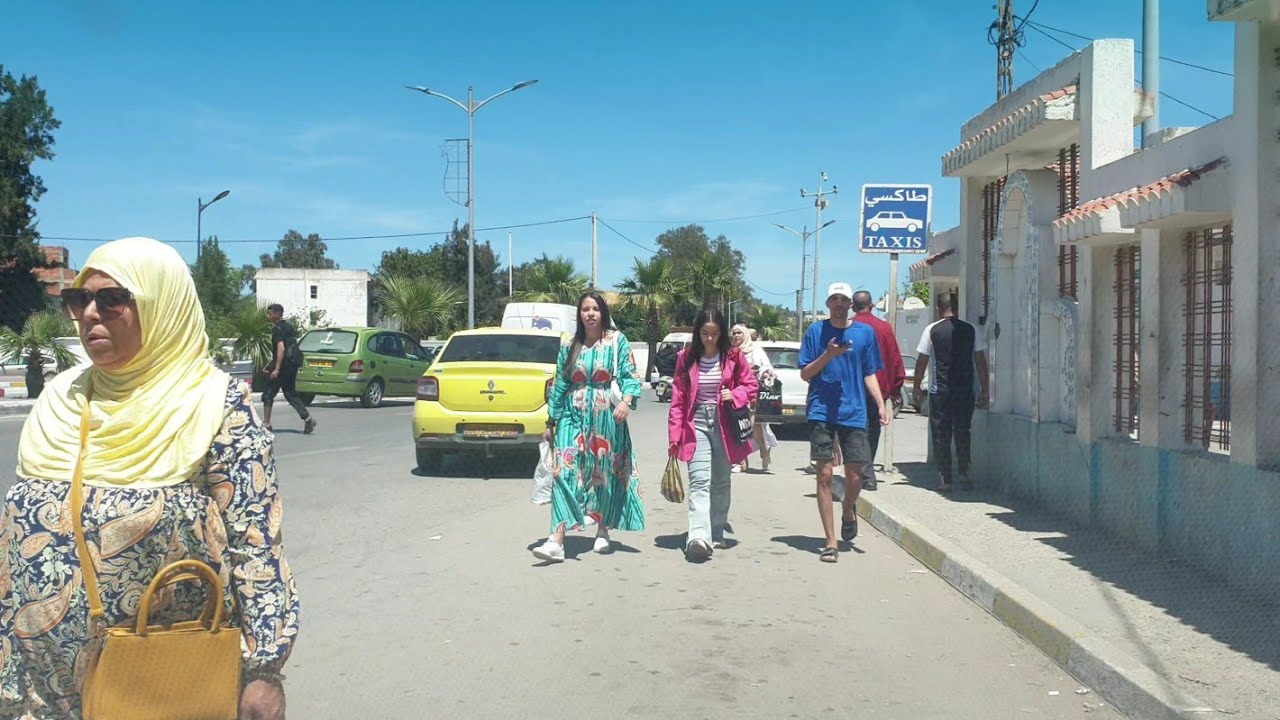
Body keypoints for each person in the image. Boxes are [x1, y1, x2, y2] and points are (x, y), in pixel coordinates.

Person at [0, 237, 299, 719]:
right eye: (80, 299)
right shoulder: (60, 399)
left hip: (161, 682)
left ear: (163, 306)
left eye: (113, 298)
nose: (91, 313)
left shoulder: (216, 406)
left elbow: (256, 544)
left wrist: (264, 671)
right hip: (40, 694)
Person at [533, 291, 645, 563]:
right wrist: (552, 420)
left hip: (607, 417)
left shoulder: (617, 341)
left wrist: (627, 401)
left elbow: (631, 376)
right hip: (573, 416)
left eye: (595, 308)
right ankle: (557, 539)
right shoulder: (569, 345)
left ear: (603, 313)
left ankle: (603, 529)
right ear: (579, 314)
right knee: (564, 472)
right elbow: (560, 384)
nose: (590, 314)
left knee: (603, 473)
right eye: (585, 309)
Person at [798, 283, 890, 563]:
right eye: (834, 299)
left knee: (855, 476)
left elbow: (869, 372)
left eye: (844, 299)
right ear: (827, 303)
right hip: (821, 411)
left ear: (851, 304)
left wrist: (880, 403)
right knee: (824, 475)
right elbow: (805, 373)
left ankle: (848, 508)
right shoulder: (815, 332)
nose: (839, 304)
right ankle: (830, 542)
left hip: (854, 411)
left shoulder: (865, 333)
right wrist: (828, 355)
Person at [668, 309, 759, 561]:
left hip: (724, 425)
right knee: (699, 481)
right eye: (705, 333)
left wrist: (736, 395)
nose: (710, 339)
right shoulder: (686, 358)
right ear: (697, 333)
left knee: (720, 482)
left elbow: (751, 386)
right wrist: (674, 436)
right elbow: (678, 399)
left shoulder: (733, 357)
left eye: (715, 334)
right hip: (695, 424)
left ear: (722, 334)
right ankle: (698, 536)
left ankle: (716, 531)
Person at [913, 293, 989, 492]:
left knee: (941, 434)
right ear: (957, 307)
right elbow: (980, 361)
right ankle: (964, 472)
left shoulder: (932, 330)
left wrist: (916, 386)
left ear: (939, 308)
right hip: (965, 391)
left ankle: (945, 478)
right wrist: (985, 389)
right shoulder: (971, 329)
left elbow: (922, 361)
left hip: (941, 391)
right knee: (963, 431)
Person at [851, 291, 906, 491]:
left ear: (852, 306)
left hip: (853, 389)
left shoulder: (849, 327)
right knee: (872, 431)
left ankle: (865, 473)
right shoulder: (884, 328)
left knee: (856, 431)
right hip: (878, 389)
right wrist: (895, 389)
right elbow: (894, 358)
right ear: (872, 305)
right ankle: (867, 473)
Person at [263, 303, 316, 434]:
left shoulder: (277, 329)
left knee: (268, 394)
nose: (268, 316)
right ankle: (307, 418)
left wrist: (276, 369)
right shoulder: (289, 327)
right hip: (292, 365)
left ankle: (266, 424)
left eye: (270, 313)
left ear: (277, 314)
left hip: (283, 367)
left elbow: (281, 348)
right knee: (290, 393)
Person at [729, 323, 774, 473]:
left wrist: (766, 373)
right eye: (734, 333)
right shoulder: (731, 352)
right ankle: (741, 462)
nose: (736, 336)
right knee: (738, 427)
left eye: (739, 333)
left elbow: (766, 367)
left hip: (752, 395)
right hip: (734, 395)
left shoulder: (755, 350)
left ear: (745, 335)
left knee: (754, 428)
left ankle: (764, 450)